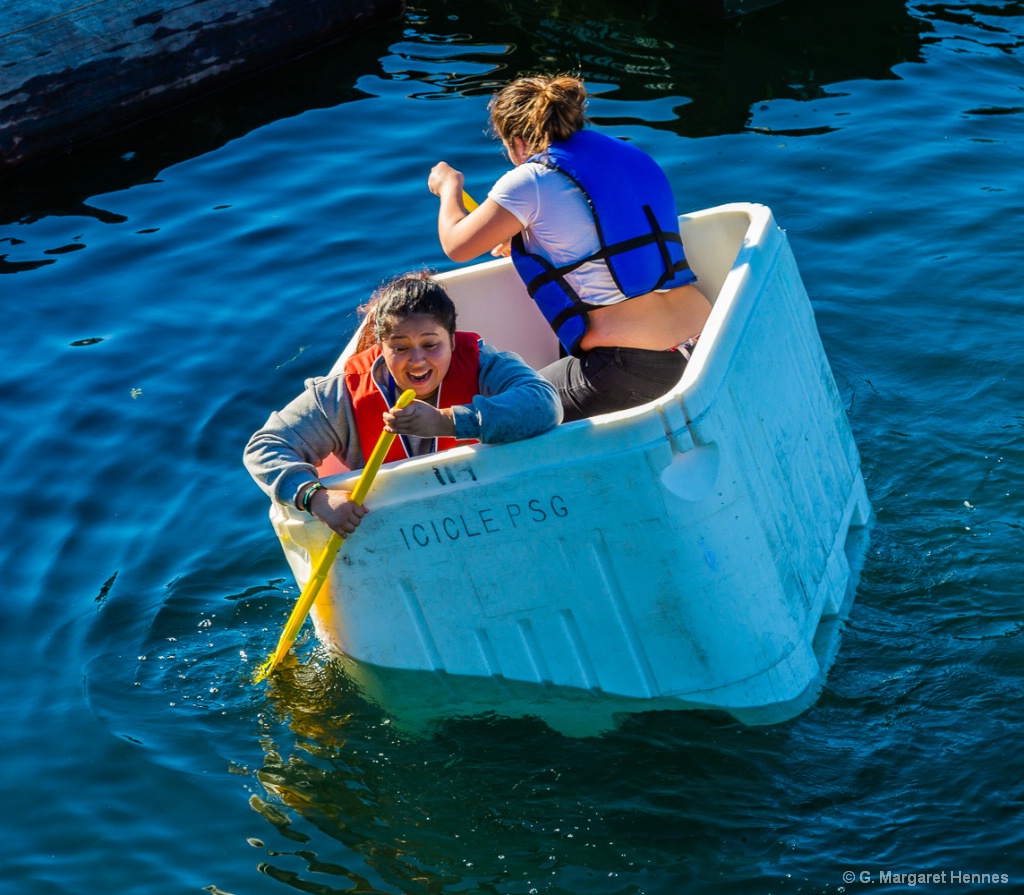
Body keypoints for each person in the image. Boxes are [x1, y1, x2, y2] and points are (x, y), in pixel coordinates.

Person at [427, 73, 712, 422]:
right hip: (707, 338)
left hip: (635, 365)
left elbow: (456, 244)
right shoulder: (624, 153)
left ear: (517, 142)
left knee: (501, 410)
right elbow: (602, 234)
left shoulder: (531, 178)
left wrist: (449, 187)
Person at [244, 271, 562, 537]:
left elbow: (545, 404)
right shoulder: (342, 394)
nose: (417, 360)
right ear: (381, 347)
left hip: (491, 516)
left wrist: (448, 422)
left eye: (430, 344)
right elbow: (265, 446)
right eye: (400, 347)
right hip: (398, 535)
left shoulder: (485, 364)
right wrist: (316, 497)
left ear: (452, 339)